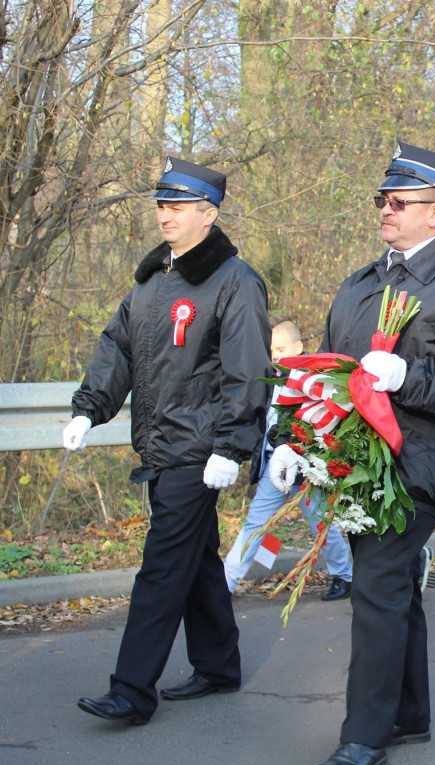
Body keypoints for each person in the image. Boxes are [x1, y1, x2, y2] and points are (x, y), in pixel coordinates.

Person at [268, 141, 435, 765]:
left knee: (376, 589)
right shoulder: (360, 284)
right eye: (382, 198)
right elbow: (320, 373)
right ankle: (408, 714)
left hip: (421, 463)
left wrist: (408, 375)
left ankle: (364, 736)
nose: (386, 208)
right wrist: (291, 443)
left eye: (400, 201)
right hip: (355, 463)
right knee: (395, 586)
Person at [63, 157, 272, 724]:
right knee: (198, 559)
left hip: (198, 451)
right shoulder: (153, 279)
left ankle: (131, 690)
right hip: (160, 444)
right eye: (161, 203)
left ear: (209, 212)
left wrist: (232, 446)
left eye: (176, 205)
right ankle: (219, 665)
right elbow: (118, 348)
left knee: (161, 566)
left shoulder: (235, 282)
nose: (165, 214)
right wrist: (91, 408)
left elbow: (248, 371)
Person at [223, 317, 353, 599]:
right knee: (256, 525)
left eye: (281, 348)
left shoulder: (313, 378)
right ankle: (226, 583)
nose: (276, 355)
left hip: (306, 468)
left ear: (299, 346)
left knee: (321, 526)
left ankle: (343, 576)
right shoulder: (269, 378)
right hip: (273, 466)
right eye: (272, 351)